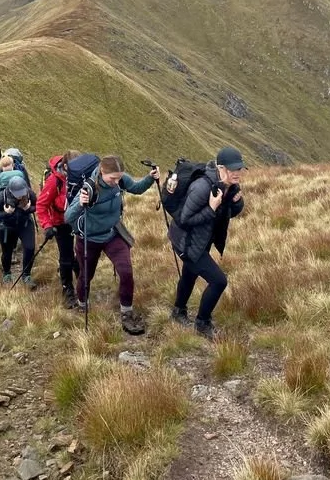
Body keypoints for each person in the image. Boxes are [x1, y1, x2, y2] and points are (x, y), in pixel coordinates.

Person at [65, 155, 159, 335]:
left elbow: (136, 189)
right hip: (89, 237)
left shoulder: (121, 179)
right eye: (112, 178)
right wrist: (81, 204)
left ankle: (126, 312)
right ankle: (82, 304)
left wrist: (150, 178)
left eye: (119, 178)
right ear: (102, 171)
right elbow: (68, 217)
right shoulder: (89, 188)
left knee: (126, 271)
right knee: (86, 275)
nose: (116, 182)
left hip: (113, 234)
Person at [169, 145, 246, 339]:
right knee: (219, 281)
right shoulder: (202, 187)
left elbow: (225, 214)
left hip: (201, 241)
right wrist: (211, 208)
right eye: (233, 169)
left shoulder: (228, 185)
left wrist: (236, 203)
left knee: (190, 274)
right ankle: (202, 323)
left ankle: (178, 312)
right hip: (186, 242)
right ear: (221, 168)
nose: (237, 173)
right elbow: (185, 219)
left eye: (239, 168)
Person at [37, 151, 80, 308]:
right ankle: (67, 289)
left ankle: (80, 274)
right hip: (60, 223)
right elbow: (41, 205)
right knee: (66, 256)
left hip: (78, 220)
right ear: (66, 166)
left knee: (81, 252)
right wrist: (47, 225)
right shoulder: (54, 181)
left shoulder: (80, 176)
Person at [0, 175, 37, 287]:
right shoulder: (1, 197)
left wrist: (29, 209)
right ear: (10, 190)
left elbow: (38, 205)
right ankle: (7, 273)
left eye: (22, 193)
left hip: (25, 224)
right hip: (6, 228)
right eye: (17, 193)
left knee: (30, 248)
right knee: (7, 252)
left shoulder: (29, 193)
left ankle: (26, 275)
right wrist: (6, 213)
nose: (20, 196)